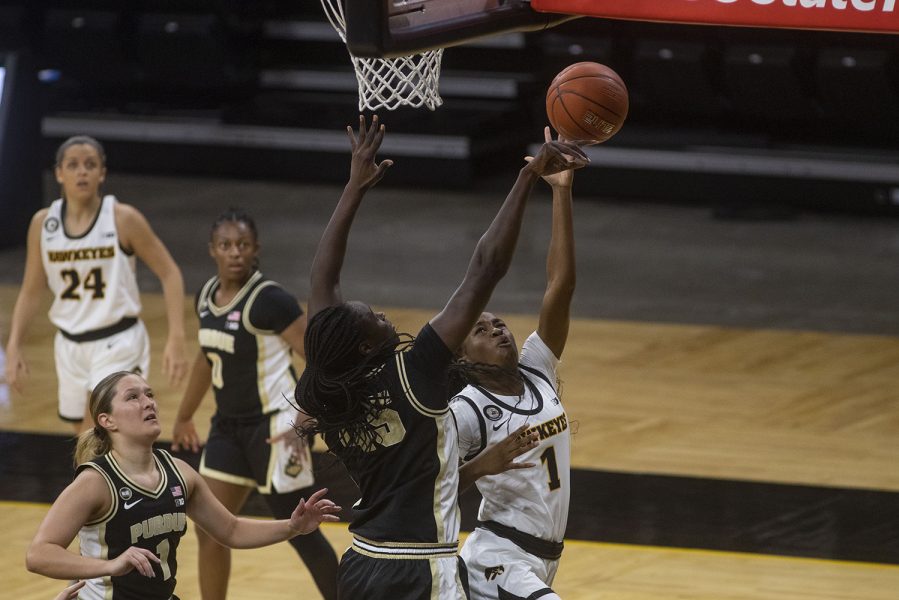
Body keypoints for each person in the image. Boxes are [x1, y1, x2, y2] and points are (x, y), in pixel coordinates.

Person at [294, 115, 587, 599]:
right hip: (419, 567)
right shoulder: (414, 376)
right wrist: (525, 178)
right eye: (374, 318)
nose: (385, 314)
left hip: (362, 564)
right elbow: (485, 268)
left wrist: (355, 187)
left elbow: (322, 284)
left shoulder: (333, 381)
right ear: (365, 346)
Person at [26, 370, 340, 600]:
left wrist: (293, 526)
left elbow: (229, 530)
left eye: (149, 394)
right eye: (133, 397)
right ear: (107, 421)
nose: (148, 402)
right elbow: (39, 554)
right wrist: (110, 564)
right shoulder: (95, 482)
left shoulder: (178, 472)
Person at [170, 208, 339, 600]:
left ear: (255, 249)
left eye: (243, 245)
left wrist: (305, 419)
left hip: (276, 430)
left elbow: (317, 360)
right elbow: (205, 356)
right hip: (227, 427)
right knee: (210, 528)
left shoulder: (271, 300)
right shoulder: (206, 296)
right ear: (212, 249)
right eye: (226, 245)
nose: (235, 252)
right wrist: (182, 415)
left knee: (302, 532)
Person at [449, 128, 577, 600]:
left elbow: (559, 287)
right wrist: (482, 466)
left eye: (499, 322)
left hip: (545, 555)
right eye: (481, 330)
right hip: (497, 558)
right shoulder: (465, 410)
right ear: (463, 357)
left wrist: (561, 192)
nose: (498, 329)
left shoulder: (536, 370)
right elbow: (426, 487)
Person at [4, 136, 188, 432]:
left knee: (102, 430)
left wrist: (176, 338)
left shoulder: (122, 219)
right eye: (73, 165)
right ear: (59, 173)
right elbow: (30, 290)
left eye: (90, 165)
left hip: (118, 341)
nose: (82, 172)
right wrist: (13, 345)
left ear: (102, 173)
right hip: (69, 345)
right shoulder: (43, 224)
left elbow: (170, 273)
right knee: (86, 440)